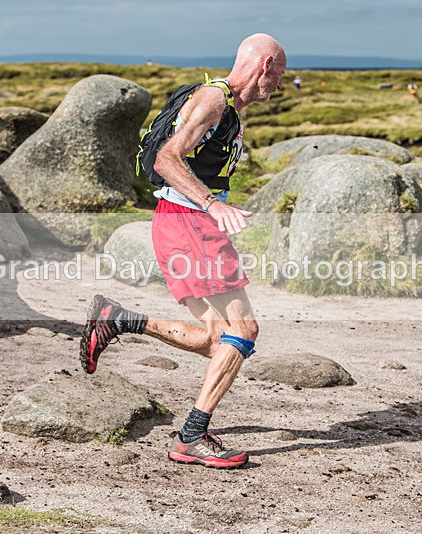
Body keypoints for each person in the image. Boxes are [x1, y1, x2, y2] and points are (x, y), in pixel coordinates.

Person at [80, 34, 287, 469]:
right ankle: (191, 435)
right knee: (244, 331)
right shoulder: (214, 99)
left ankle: (118, 319)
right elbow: (166, 159)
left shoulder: (223, 105)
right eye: (280, 75)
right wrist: (213, 205)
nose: (281, 86)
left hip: (178, 224)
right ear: (265, 64)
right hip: (190, 223)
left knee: (217, 339)